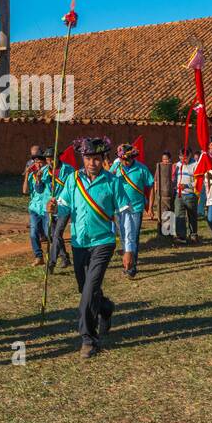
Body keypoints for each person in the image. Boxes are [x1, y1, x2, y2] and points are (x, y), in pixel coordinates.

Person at [49, 136, 125, 358]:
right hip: (79, 243)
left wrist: (128, 248)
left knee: (88, 292)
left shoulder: (113, 182)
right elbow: (64, 209)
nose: (92, 163)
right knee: (86, 290)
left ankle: (88, 339)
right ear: (83, 158)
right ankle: (106, 308)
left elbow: (123, 216)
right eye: (89, 158)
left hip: (103, 242)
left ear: (103, 159)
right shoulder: (73, 180)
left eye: (97, 159)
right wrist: (54, 208)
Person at [111, 142, 153, 277]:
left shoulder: (142, 169)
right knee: (124, 237)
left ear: (133, 157)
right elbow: (108, 182)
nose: (125, 161)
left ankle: (132, 266)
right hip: (119, 208)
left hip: (136, 208)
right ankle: (127, 262)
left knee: (133, 237)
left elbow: (151, 186)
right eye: (123, 159)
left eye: (127, 159)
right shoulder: (116, 167)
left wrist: (150, 207)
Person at [41, 148, 73, 271]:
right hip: (50, 206)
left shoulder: (69, 170)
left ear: (58, 158)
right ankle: (65, 258)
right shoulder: (44, 171)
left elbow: (73, 187)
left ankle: (51, 263)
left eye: (52, 159)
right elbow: (39, 190)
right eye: (48, 160)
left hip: (64, 206)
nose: (50, 162)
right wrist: (39, 180)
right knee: (53, 235)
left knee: (57, 234)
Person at [22, 149, 49, 266]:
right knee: (33, 234)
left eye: (40, 162)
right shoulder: (32, 175)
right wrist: (27, 174)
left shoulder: (48, 173)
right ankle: (39, 256)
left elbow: (41, 189)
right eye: (36, 162)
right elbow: (25, 191)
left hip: (46, 208)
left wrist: (39, 178)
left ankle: (56, 255)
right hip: (34, 208)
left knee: (49, 234)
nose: (38, 164)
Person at [172, 148, 200, 243]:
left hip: (190, 194)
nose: (183, 159)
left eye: (185, 157)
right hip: (179, 195)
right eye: (180, 157)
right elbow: (175, 178)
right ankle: (181, 236)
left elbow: (198, 181)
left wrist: (187, 185)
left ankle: (193, 235)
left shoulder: (195, 165)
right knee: (179, 215)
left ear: (190, 155)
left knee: (191, 215)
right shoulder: (178, 165)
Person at [150, 150, 175, 238]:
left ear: (170, 159)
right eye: (163, 159)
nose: (165, 161)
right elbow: (156, 180)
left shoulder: (173, 167)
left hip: (170, 193)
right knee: (161, 213)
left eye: (167, 159)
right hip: (161, 194)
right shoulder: (159, 166)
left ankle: (169, 233)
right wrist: (157, 191)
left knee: (169, 212)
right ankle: (162, 233)